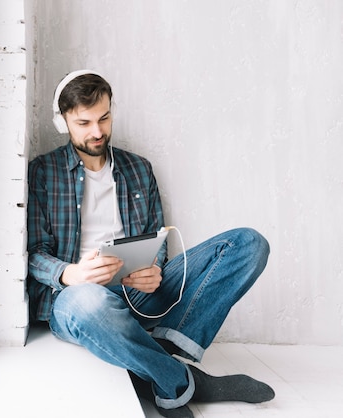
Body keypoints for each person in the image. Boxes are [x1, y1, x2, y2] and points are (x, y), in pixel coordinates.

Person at [26, 70, 275, 418]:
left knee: (249, 243)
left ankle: (156, 352)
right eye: (83, 123)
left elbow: (155, 240)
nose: (96, 132)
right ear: (62, 120)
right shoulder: (43, 172)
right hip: (76, 298)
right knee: (89, 303)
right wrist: (71, 273)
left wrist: (153, 271)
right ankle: (182, 382)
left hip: (137, 293)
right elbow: (34, 253)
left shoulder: (139, 169)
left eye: (104, 118)